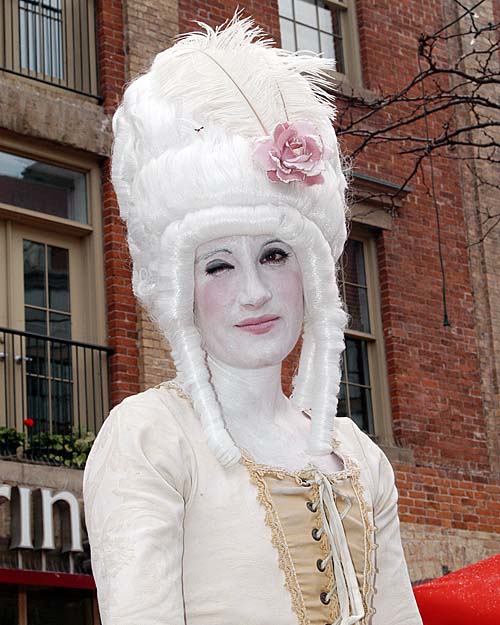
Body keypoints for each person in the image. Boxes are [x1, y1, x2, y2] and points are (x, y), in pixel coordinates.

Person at [83, 15, 423, 625]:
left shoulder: (361, 456)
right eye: (218, 266)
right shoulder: (151, 435)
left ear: (312, 273)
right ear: (180, 290)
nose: (255, 293)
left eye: (274, 255)